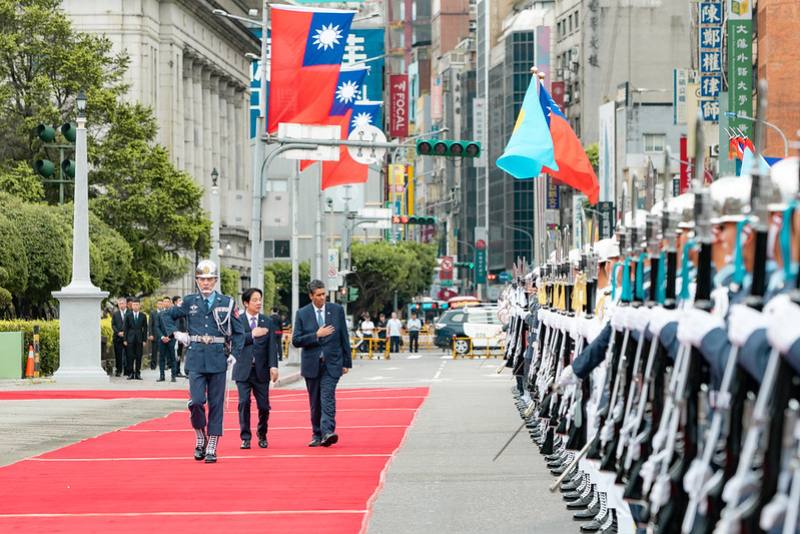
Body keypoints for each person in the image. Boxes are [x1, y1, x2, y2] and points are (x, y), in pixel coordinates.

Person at [161, 259, 244, 463]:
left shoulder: (226, 302)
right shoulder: (190, 302)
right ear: (197, 280)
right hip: (196, 357)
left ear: (215, 280)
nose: (205, 283)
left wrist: (235, 354)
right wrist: (176, 334)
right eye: (201, 279)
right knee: (197, 401)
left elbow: (240, 332)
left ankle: (212, 445)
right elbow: (166, 316)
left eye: (209, 279)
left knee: (216, 404)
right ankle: (200, 435)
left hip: (217, 358)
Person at [292, 279, 352, 448]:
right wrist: (316, 335)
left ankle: (327, 432)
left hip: (332, 363)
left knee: (327, 397)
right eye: (318, 295)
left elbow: (344, 337)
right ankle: (316, 434)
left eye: (324, 294)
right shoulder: (302, 313)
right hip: (312, 364)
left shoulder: (337, 310)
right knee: (315, 402)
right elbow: (296, 340)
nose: (322, 297)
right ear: (311, 296)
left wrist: (346, 362)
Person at [234, 288, 279, 450]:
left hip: (261, 371)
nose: (258, 302)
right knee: (244, 402)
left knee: (264, 406)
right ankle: (245, 437)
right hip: (243, 370)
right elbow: (235, 342)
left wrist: (273, 366)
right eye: (254, 300)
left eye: (260, 299)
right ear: (246, 303)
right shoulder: (237, 320)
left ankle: (262, 433)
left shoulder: (267, 321)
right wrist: (252, 334)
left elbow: (272, 346)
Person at [124, 297, 147, 380]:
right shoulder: (128, 315)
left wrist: (144, 340)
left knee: (138, 356)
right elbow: (125, 328)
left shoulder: (143, 316)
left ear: (139, 306)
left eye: (137, 305)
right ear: (131, 306)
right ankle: (130, 373)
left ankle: (137, 373)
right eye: (134, 305)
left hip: (139, 339)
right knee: (130, 356)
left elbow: (145, 328)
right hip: (130, 339)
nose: (135, 306)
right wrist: (125, 339)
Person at [157, 296, 177, 382]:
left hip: (171, 338)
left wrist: (169, 336)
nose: (166, 303)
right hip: (162, 339)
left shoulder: (174, 313)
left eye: (167, 302)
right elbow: (157, 327)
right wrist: (162, 337)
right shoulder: (159, 314)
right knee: (161, 358)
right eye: (164, 302)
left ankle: (173, 376)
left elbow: (176, 326)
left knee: (172, 357)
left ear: (170, 303)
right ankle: (162, 376)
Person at [111, 297, 128, 376]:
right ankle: (119, 370)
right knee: (118, 355)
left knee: (128, 354)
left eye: (122, 303)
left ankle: (127, 370)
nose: (121, 305)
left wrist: (125, 333)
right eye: (119, 304)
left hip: (127, 337)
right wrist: (118, 332)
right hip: (117, 337)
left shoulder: (130, 313)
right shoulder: (115, 314)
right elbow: (113, 325)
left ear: (126, 304)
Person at [172, 296, 187, 377]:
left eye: (181, 300)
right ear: (175, 302)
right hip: (175, 335)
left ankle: (178, 370)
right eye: (179, 300)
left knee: (179, 354)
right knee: (175, 354)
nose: (181, 302)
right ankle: (174, 371)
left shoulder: (182, 310)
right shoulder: (173, 310)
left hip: (182, 335)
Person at [148, 299, 163, 370]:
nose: (160, 305)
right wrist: (150, 334)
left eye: (161, 304)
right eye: (159, 304)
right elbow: (150, 324)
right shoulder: (153, 313)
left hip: (163, 335)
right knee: (154, 351)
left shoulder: (165, 312)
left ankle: (162, 365)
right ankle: (153, 366)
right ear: (157, 305)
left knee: (163, 351)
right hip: (155, 335)